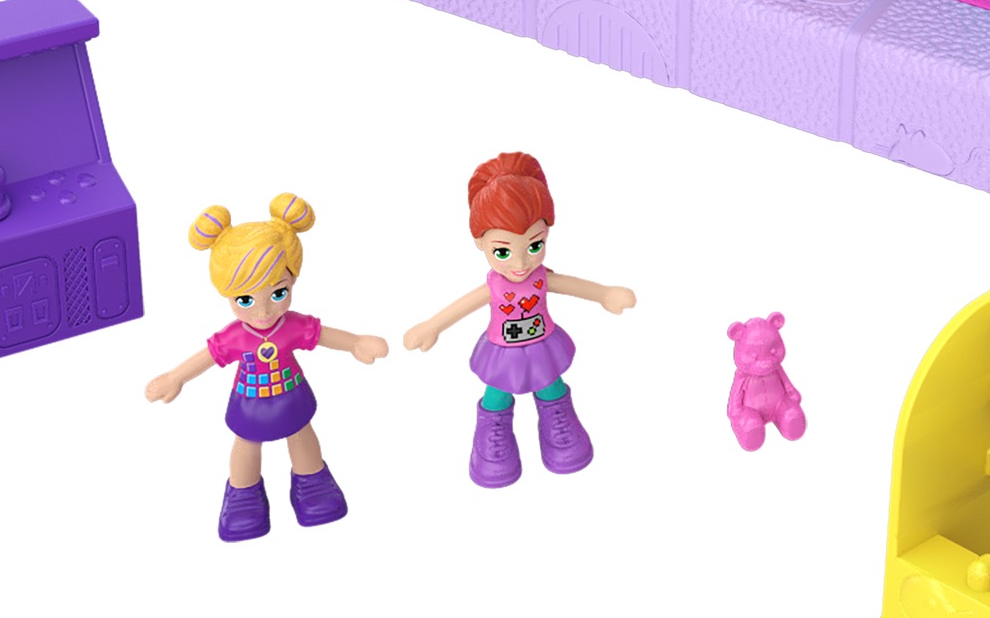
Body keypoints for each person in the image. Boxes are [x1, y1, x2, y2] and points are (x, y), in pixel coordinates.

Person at [146, 193, 388, 540]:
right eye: (245, 299)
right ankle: (243, 493)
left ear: (292, 282)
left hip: (291, 396)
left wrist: (355, 342)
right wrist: (175, 377)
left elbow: (322, 334)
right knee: (246, 445)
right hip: (250, 402)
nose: (262, 312)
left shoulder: (292, 326)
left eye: (278, 294)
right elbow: (209, 356)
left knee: (302, 435)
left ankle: (312, 481)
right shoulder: (235, 336)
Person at [404, 152, 636, 487]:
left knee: (551, 384)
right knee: (497, 392)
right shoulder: (494, 285)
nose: (520, 263)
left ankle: (558, 423)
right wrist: (433, 326)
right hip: (503, 351)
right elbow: (464, 305)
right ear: (480, 243)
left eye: (534, 245)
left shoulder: (541, 277)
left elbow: (569, 285)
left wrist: (604, 294)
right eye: (503, 251)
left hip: (543, 344)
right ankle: (493, 435)